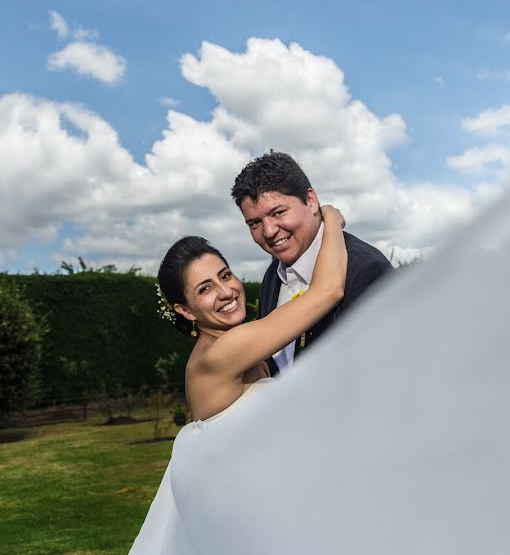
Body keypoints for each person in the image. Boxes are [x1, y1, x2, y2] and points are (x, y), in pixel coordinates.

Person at [129, 205, 347, 553]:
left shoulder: (235, 343)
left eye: (225, 275)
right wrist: (332, 221)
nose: (226, 291)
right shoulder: (222, 353)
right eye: (204, 289)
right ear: (184, 310)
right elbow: (328, 291)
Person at [231, 151, 393, 375]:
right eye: (255, 223)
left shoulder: (366, 271)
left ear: (310, 200)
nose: (269, 231)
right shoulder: (273, 274)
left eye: (278, 212)